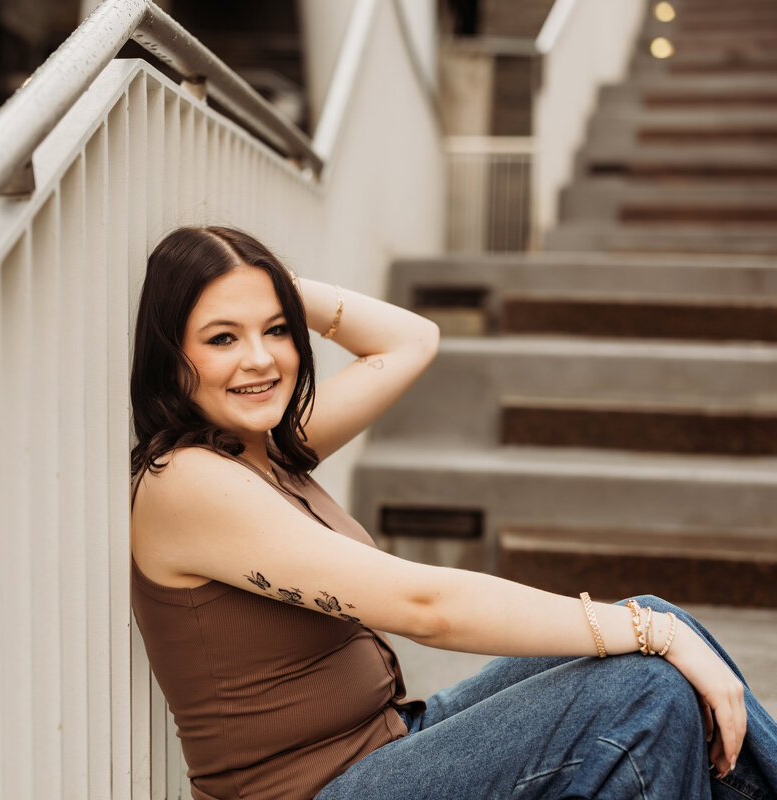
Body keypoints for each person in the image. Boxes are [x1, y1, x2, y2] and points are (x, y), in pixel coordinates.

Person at [128, 225, 777, 800]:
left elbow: (410, 341)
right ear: (170, 357)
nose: (262, 358)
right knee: (644, 685)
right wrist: (652, 637)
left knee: (656, 616)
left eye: (275, 329)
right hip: (323, 787)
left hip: (391, 741)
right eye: (222, 338)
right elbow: (426, 607)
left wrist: (265, 283)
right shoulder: (186, 483)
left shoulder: (265, 452)